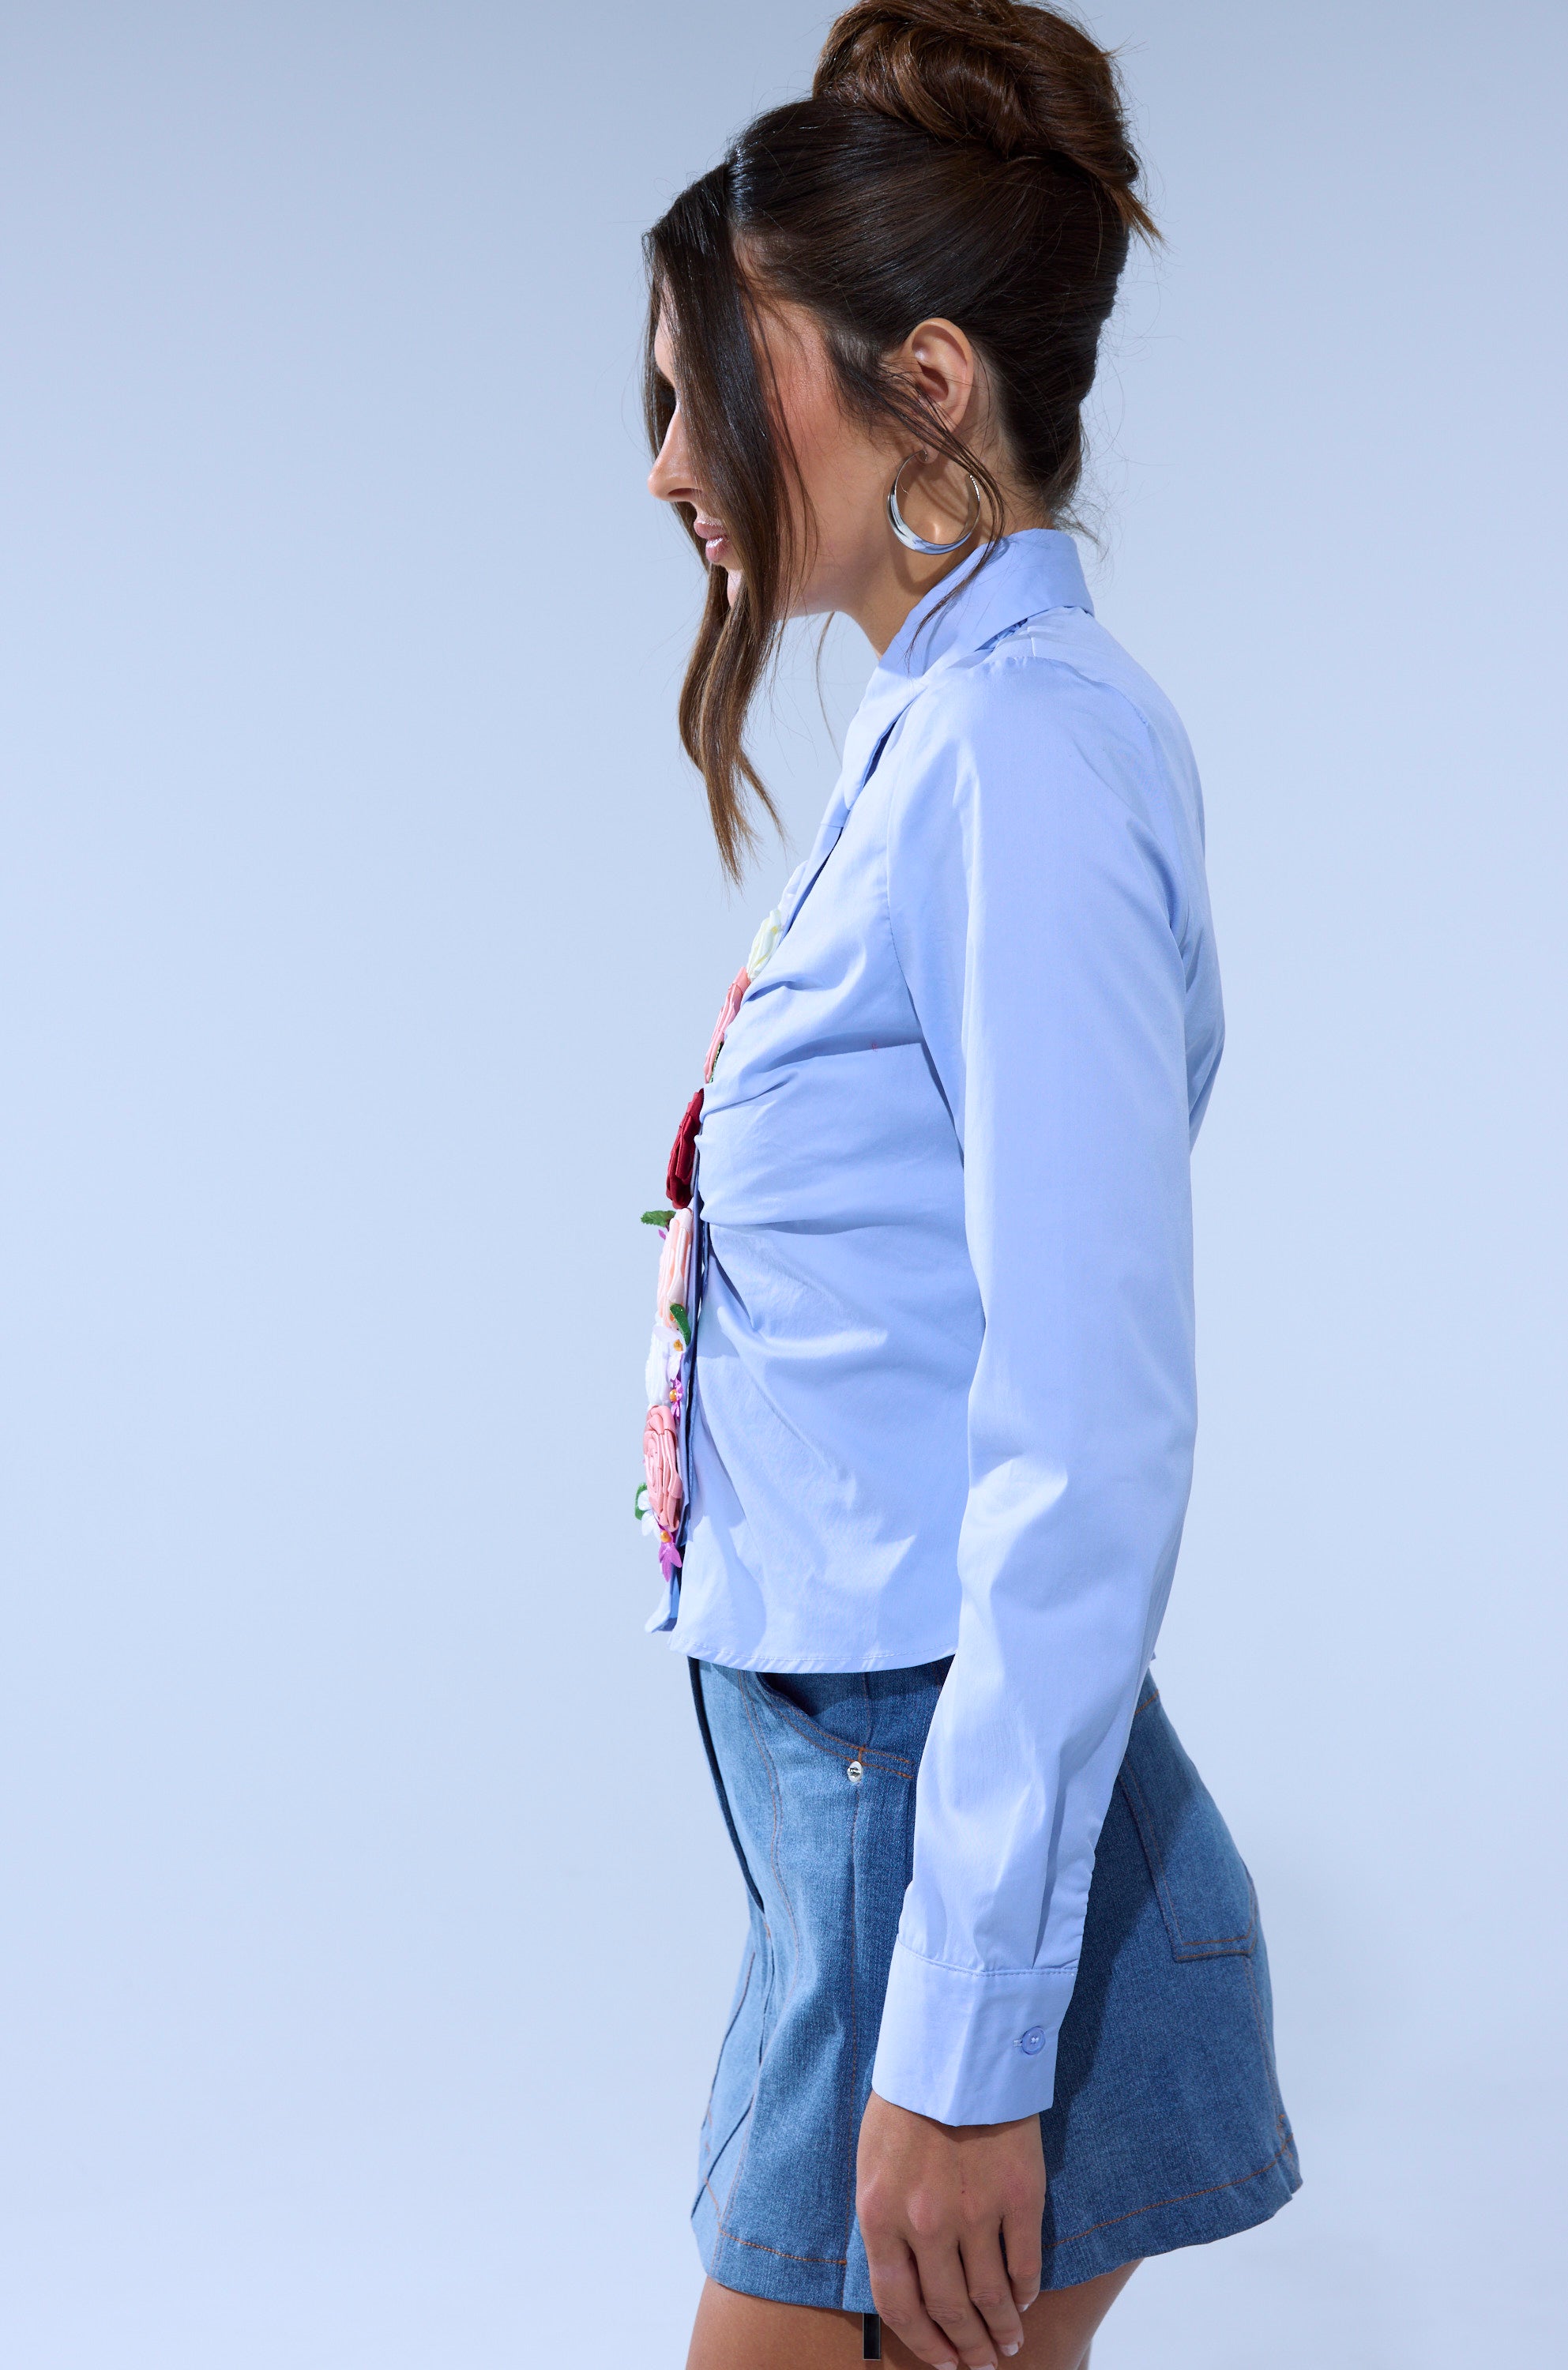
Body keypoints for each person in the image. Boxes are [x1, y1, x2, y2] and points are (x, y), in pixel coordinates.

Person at [634, 6, 1299, 2364]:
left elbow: (1089, 1409)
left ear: (921, 387)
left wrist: (962, 2039)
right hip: (872, 1803)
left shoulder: (1023, 757)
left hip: (944, 1831)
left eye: (708, 383)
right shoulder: (941, 745)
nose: (671, 463)